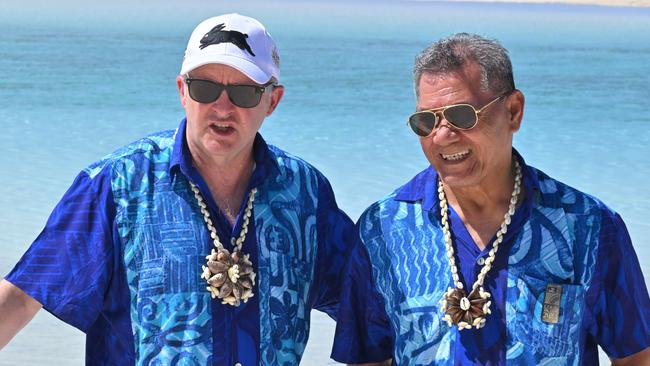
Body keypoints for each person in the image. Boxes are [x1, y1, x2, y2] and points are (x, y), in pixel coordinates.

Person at [0, 13, 355, 365]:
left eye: (245, 92)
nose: (222, 107)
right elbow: (21, 297)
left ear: (272, 101)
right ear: (183, 92)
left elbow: (369, 308)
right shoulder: (119, 184)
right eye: (205, 88)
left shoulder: (305, 194)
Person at [331, 33, 650, 365]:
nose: (441, 136)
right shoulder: (382, 230)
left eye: (462, 116)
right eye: (426, 121)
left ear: (513, 111)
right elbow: (367, 358)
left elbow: (635, 356)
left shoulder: (588, 226)